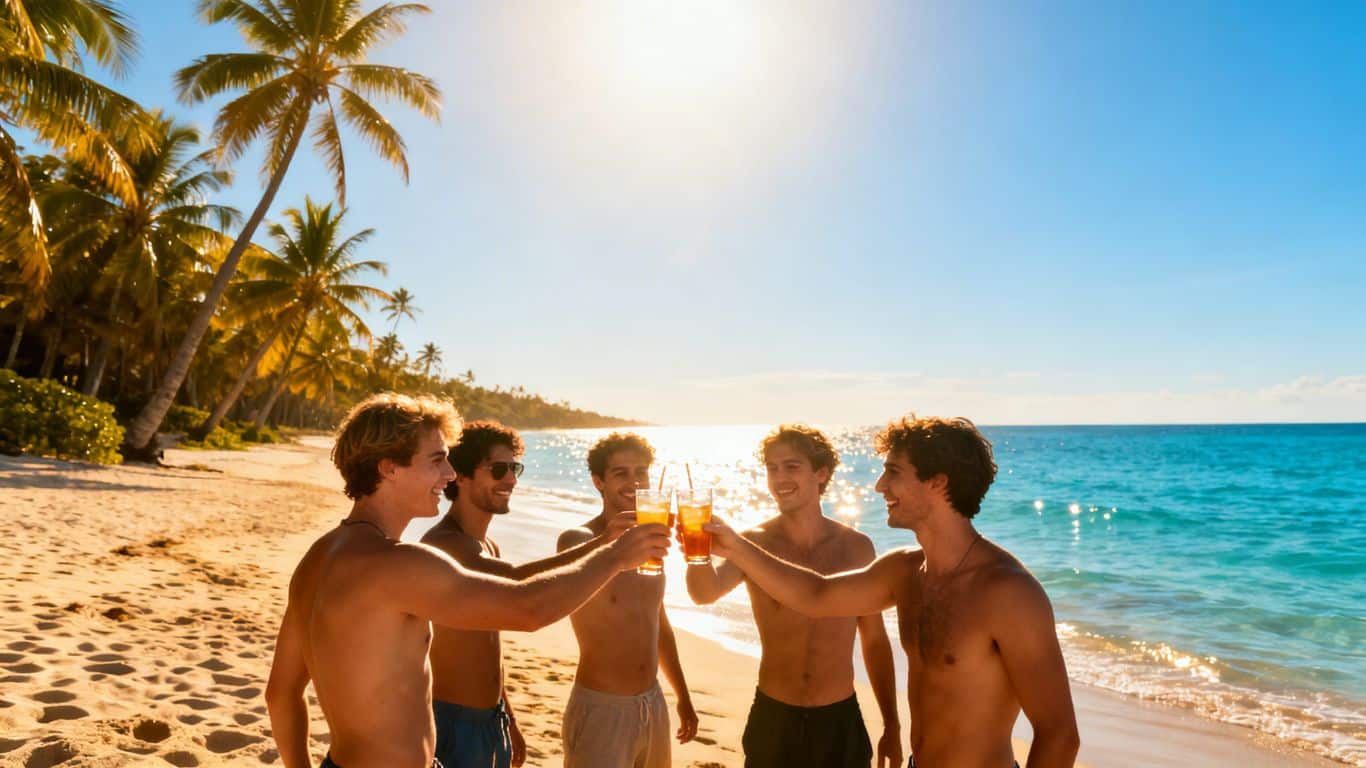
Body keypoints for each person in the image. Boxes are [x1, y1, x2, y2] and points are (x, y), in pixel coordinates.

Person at [264, 394, 669, 768]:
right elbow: (527, 609)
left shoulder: (318, 557)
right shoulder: (398, 564)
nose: (449, 473)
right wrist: (616, 556)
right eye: (437, 459)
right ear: (389, 467)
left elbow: (280, 694)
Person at [705, 415, 1080, 768]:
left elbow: (1060, 735)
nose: (879, 485)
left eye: (893, 472)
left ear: (937, 482)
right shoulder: (903, 570)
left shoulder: (1008, 591)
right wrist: (734, 546)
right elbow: (816, 596)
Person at [422, 420, 640, 768]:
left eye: (514, 468)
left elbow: (487, 646)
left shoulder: (486, 544)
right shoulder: (445, 544)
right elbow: (518, 582)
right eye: (498, 469)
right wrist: (607, 548)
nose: (511, 479)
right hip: (454, 722)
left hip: (490, 719)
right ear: (460, 476)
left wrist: (506, 715)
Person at [685, 425, 902, 768]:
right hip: (774, 716)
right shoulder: (753, 543)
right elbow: (704, 592)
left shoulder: (856, 547)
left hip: (838, 718)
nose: (779, 477)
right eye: (771, 468)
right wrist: (695, 550)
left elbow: (873, 639)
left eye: (791, 466)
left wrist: (891, 723)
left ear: (821, 473)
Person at [555, 432, 699, 768]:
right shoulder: (581, 538)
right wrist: (614, 541)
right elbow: (570, 565)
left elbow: (657, 623)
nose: (634, 482)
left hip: (652, 704)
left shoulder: (652, 547)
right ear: (598, 482)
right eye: (621, 473)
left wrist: (683, 696)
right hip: (603, 709)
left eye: (641, 473)